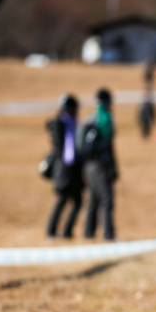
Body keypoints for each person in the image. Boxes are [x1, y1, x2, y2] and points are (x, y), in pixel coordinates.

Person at [79, 88, 119, 241]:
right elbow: (109, 143)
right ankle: (109, 235)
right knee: (107, 200)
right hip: (101, 165)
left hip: (88, 165)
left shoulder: (90, 118)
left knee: (93, 199)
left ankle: (88, 233)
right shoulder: (106, 118)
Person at [46, 94, 83, 238]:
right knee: (62, 199)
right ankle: (52, 231)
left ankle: (65, 232)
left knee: (76, 201)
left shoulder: (72, 123)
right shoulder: (60, 124)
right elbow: (60, 147)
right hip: (63, 168)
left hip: (73, 168)